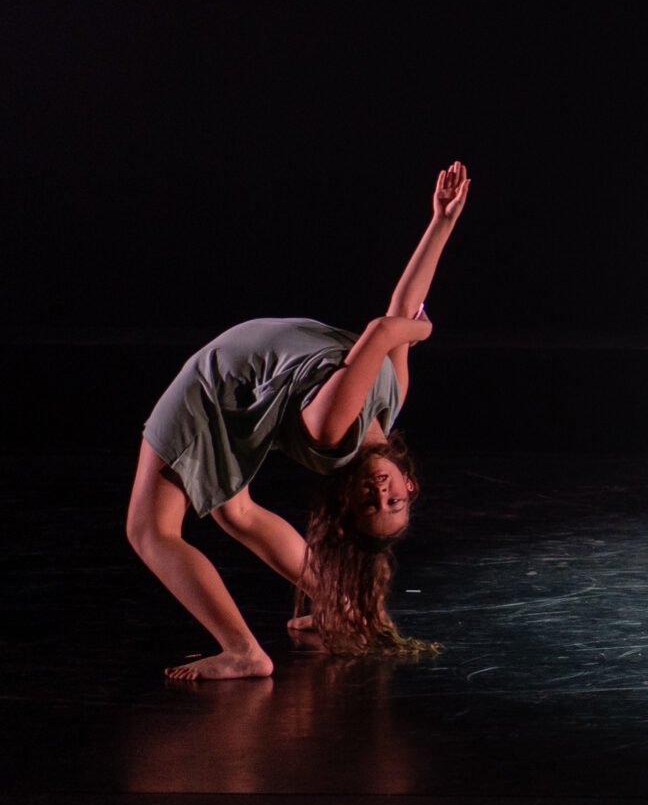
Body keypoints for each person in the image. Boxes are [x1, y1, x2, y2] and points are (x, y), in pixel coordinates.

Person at [126, 161, 468, 679]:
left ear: (347, 498)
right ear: (410, 484)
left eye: (369, 504)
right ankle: (342, 610)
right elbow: (404, 304)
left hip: (214, 386)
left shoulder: (335, 431)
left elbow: (385, 329)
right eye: (393, 501)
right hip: (247, 387)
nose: (380, 493)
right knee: (236, 512)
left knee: (149, 531)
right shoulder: (389, 402)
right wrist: (441, 223)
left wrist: (421, 333)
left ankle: (243, 651)